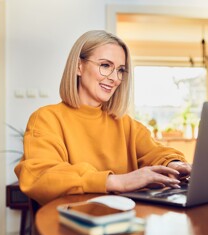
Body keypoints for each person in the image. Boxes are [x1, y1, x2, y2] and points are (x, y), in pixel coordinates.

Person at [14, 30, 191, 205]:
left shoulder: (124, 123)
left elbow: (156, 152)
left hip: (125, 222)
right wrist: (117, 182)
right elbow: (40, 176)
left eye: (120, 70)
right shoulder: (46, 119)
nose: (115, 78)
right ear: (78, 66)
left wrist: (174, 164)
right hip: (70, 224)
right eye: (105, 65)